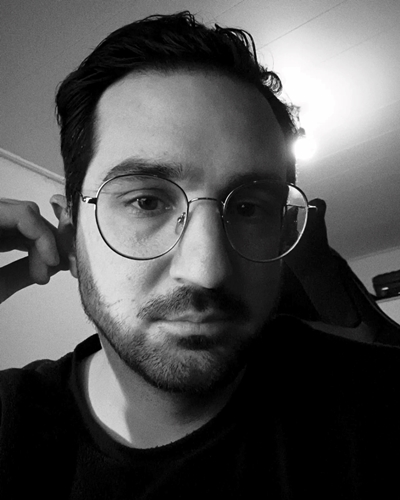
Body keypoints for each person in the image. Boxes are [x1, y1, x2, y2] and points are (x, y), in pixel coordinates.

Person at [0, 11, 399, 499]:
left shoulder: (382, 406)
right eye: (146, 202)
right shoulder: (8, 424)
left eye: (249, 208)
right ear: (69, 236)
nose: (207, 271)